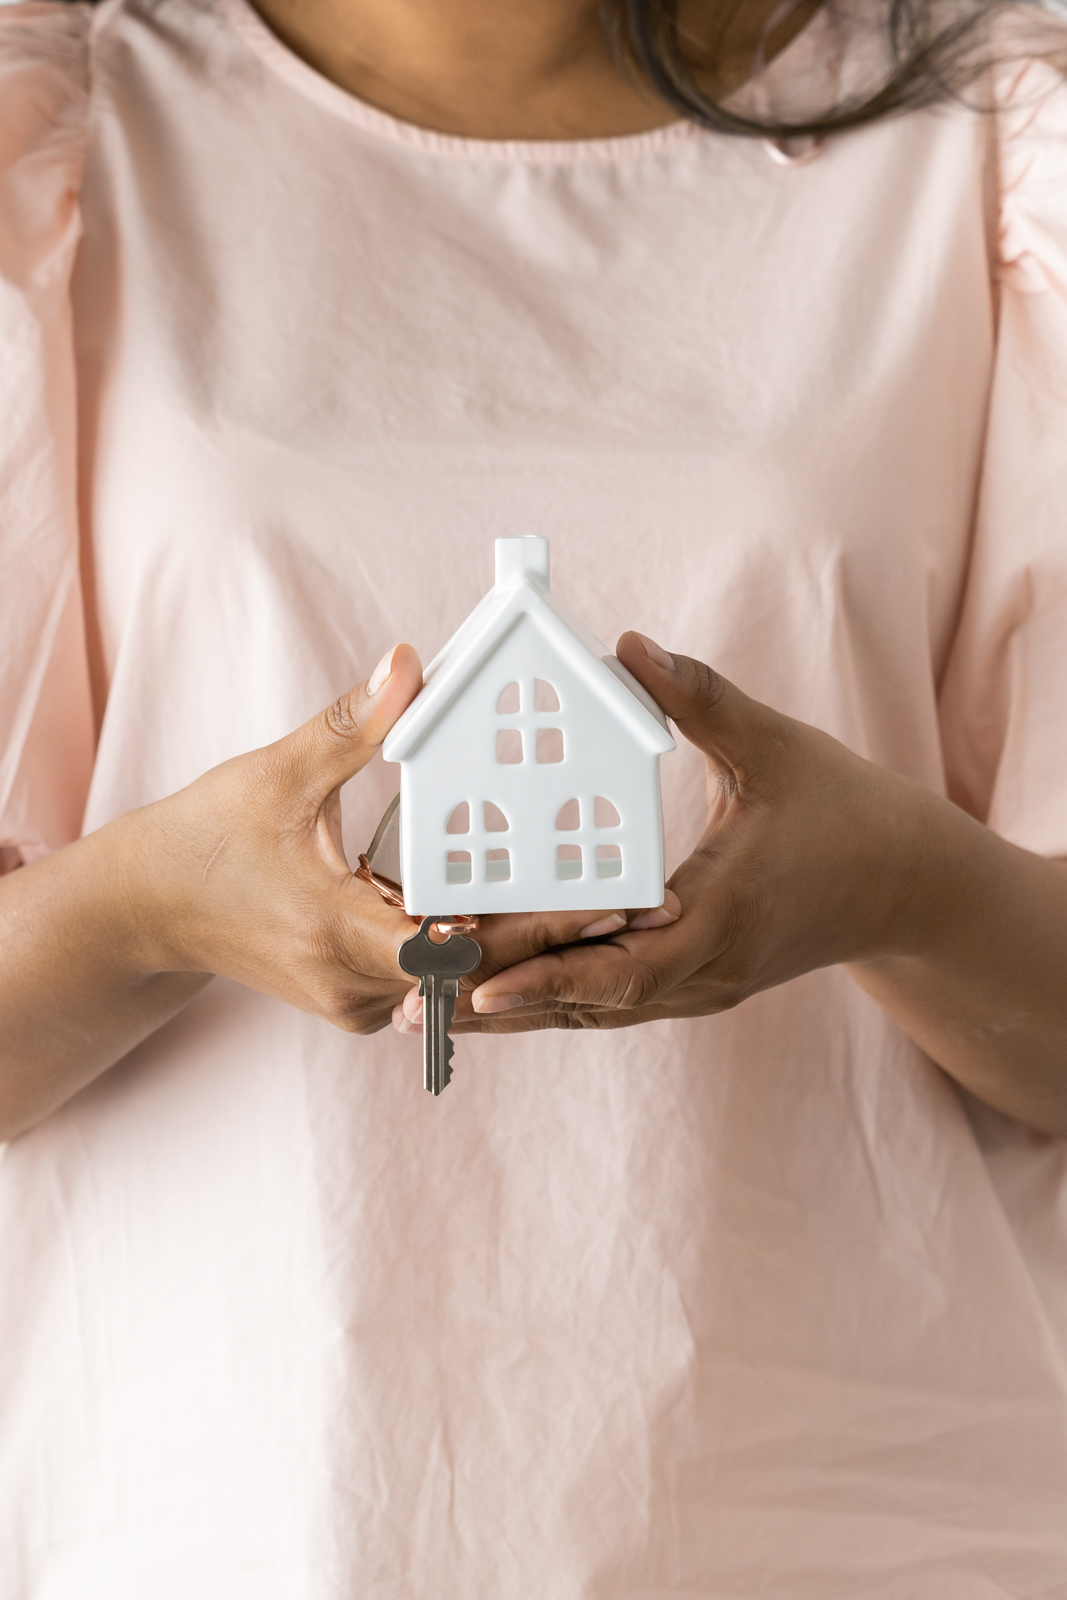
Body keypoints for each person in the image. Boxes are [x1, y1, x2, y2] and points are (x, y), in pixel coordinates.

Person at [2, 0, 1067, 1589]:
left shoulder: (990, 146)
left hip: (855, 1512)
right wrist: (156, 903)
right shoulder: (63, 140)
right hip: (231, 1507)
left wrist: (894, 884)